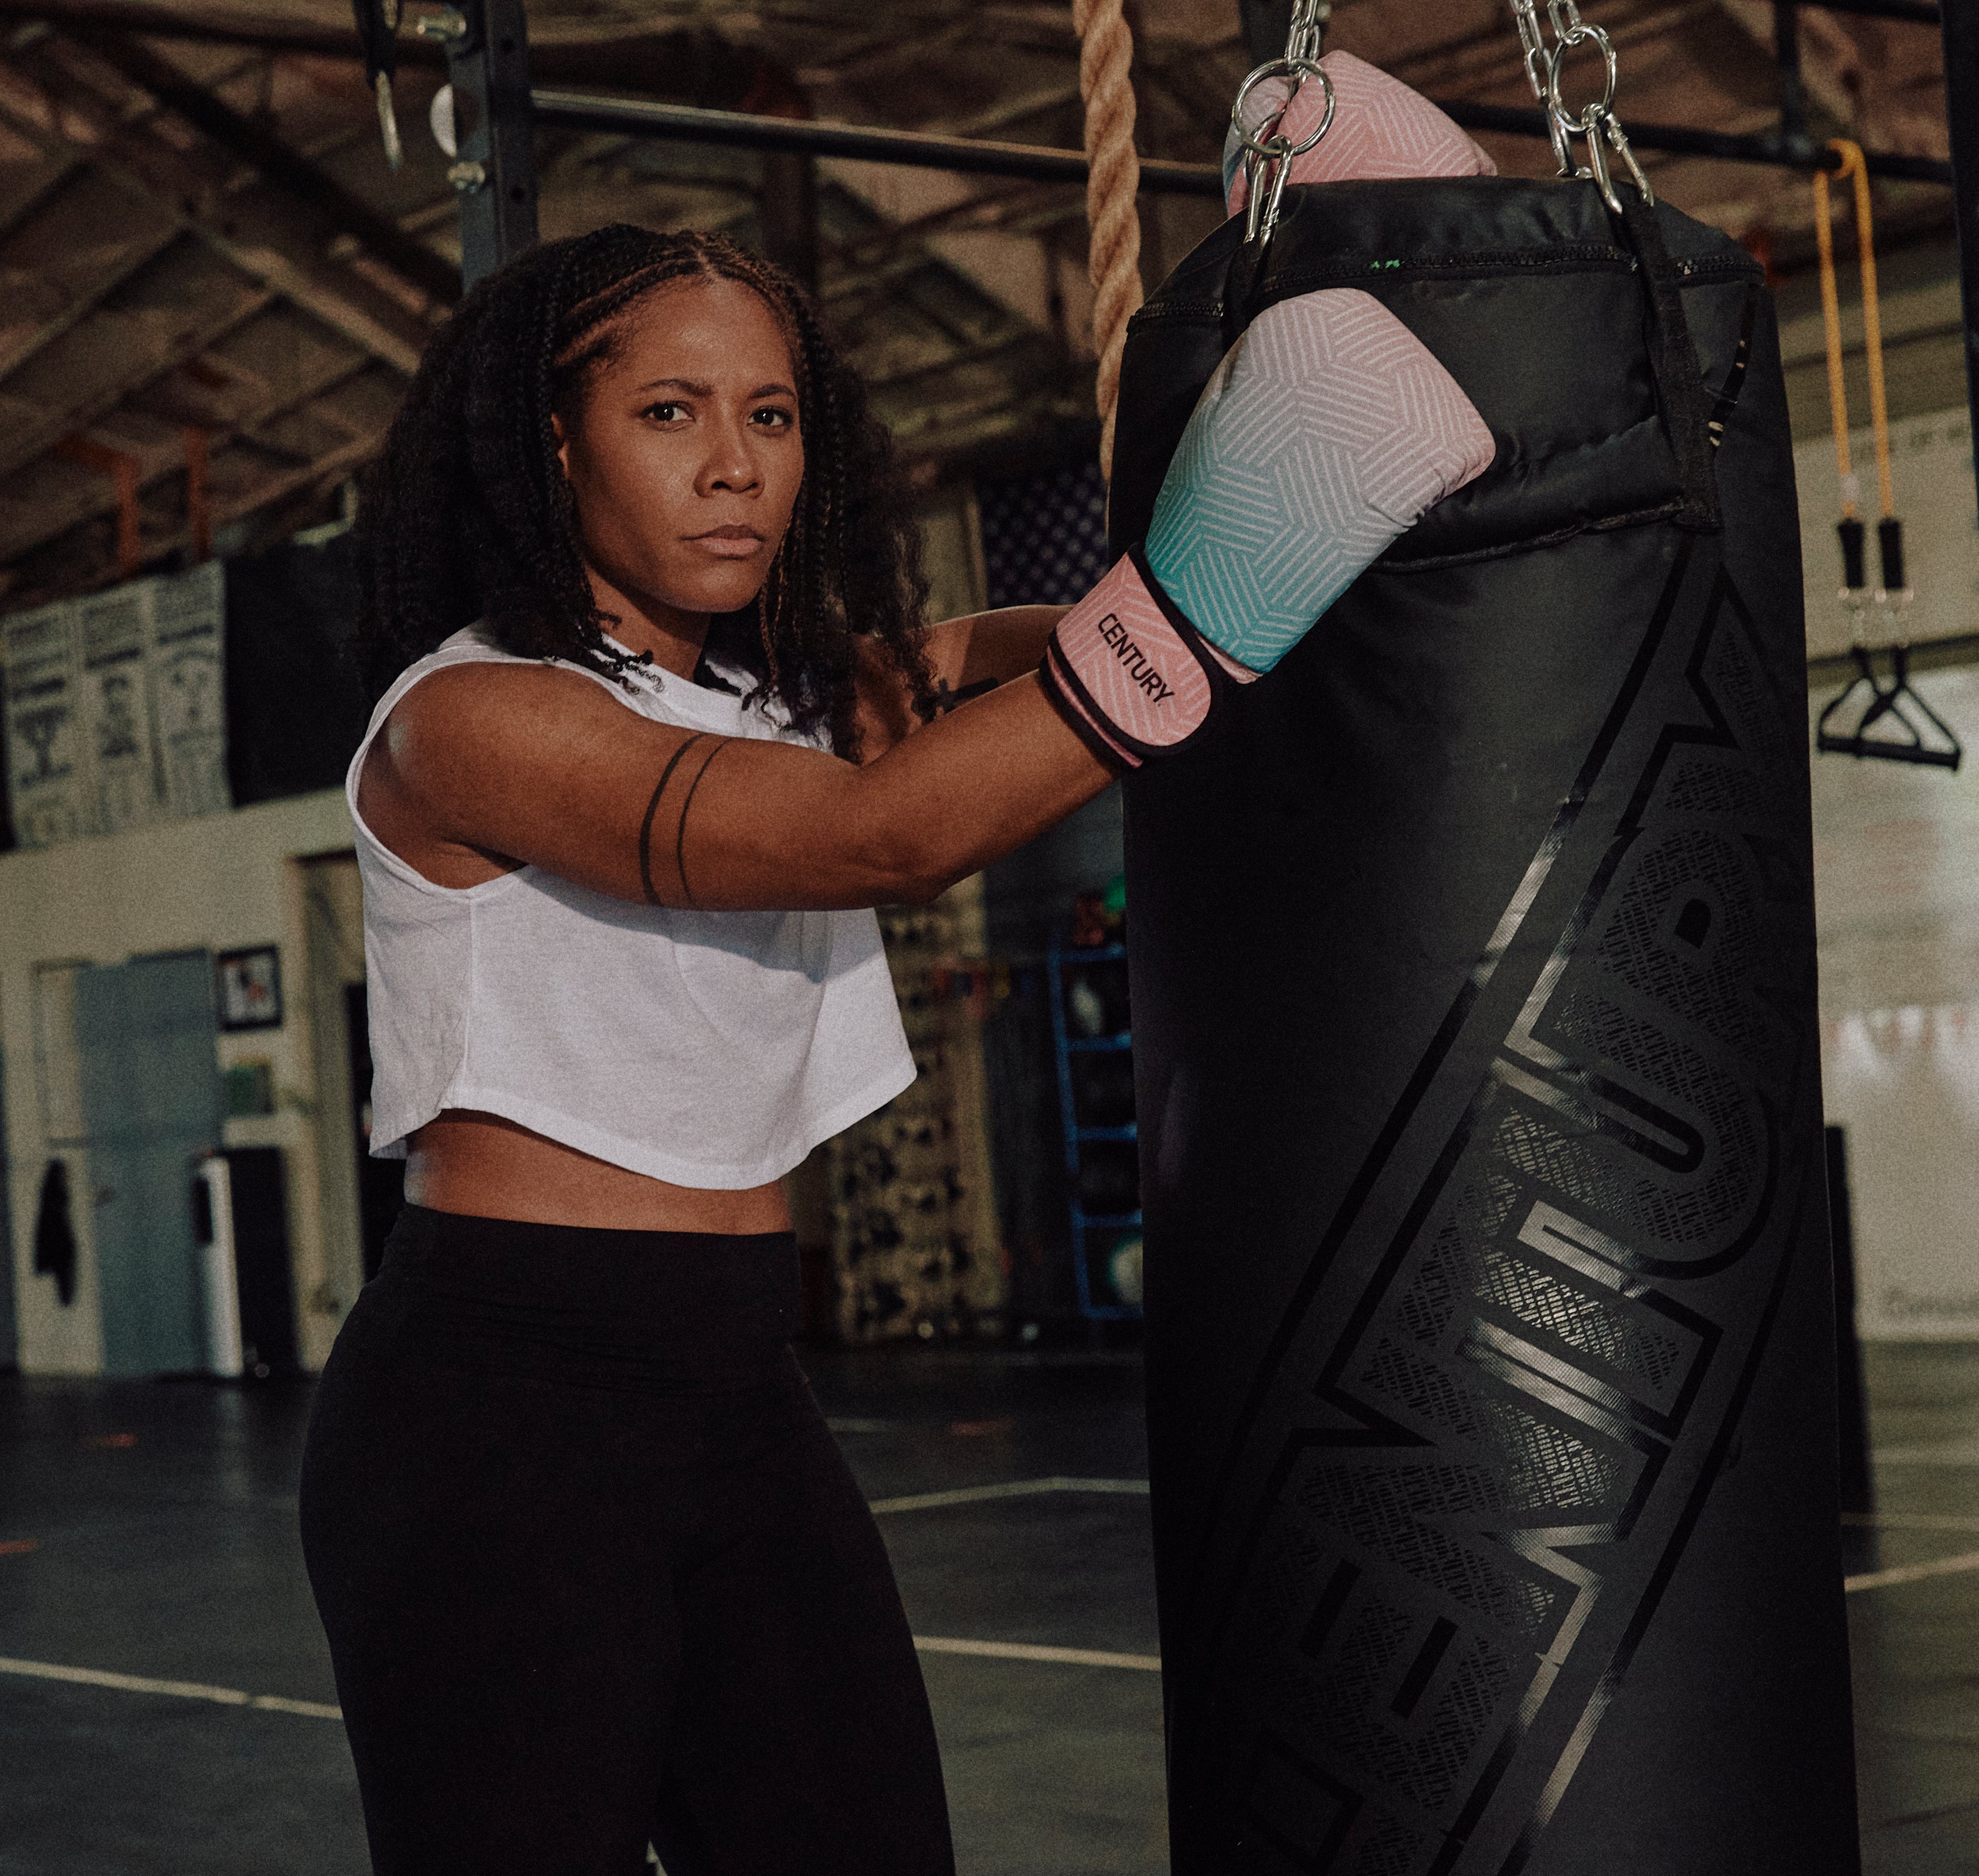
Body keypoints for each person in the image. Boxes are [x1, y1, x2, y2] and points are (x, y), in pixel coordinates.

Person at [298, 183, 1491, 1871]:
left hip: (735, 1389)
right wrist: (1223, 576)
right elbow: (884, 834)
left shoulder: (777, 692)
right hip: (502, 1410)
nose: (735, 463)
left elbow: (978, 677)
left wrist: (1331, 571)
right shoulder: (472, 719)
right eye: (666, 412)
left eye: (770, 414)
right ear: (551, 447)